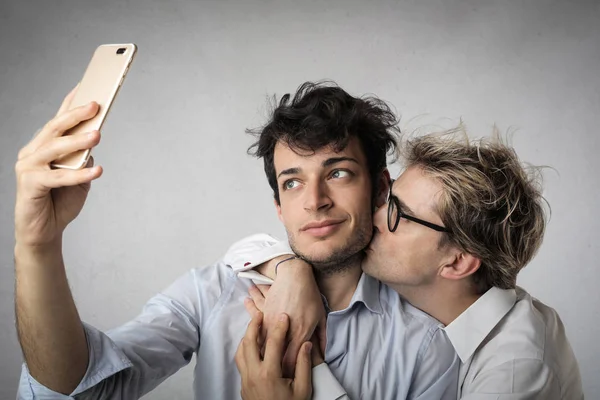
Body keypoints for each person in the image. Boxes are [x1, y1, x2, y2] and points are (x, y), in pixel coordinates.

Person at [15, 81, 459, 399]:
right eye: (292, 182)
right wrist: (38, 246)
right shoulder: (211, 294)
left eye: (338, 173)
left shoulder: (429, 345)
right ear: (278, 207)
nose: (314, 202)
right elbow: (83, 387)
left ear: (381, 189)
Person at [233, 128, 584, 399]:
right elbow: (246, 251)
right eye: (388, 199)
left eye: (399, 214)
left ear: (458, 262)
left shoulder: (514, 370)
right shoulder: (437, 298)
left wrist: (310, 371)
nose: (374, 216)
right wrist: (291, 269)